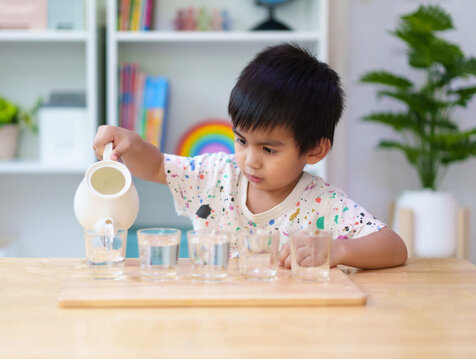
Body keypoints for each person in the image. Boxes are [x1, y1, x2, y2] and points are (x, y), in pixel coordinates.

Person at [93, 43, 408, 270]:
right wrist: (131, 144)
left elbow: (394, 247)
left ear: (315, 149)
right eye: (242, 140)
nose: (250, 160)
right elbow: (159, 166)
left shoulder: (324, 204)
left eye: (269, 149)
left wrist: (337, 249)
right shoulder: (215, 174)